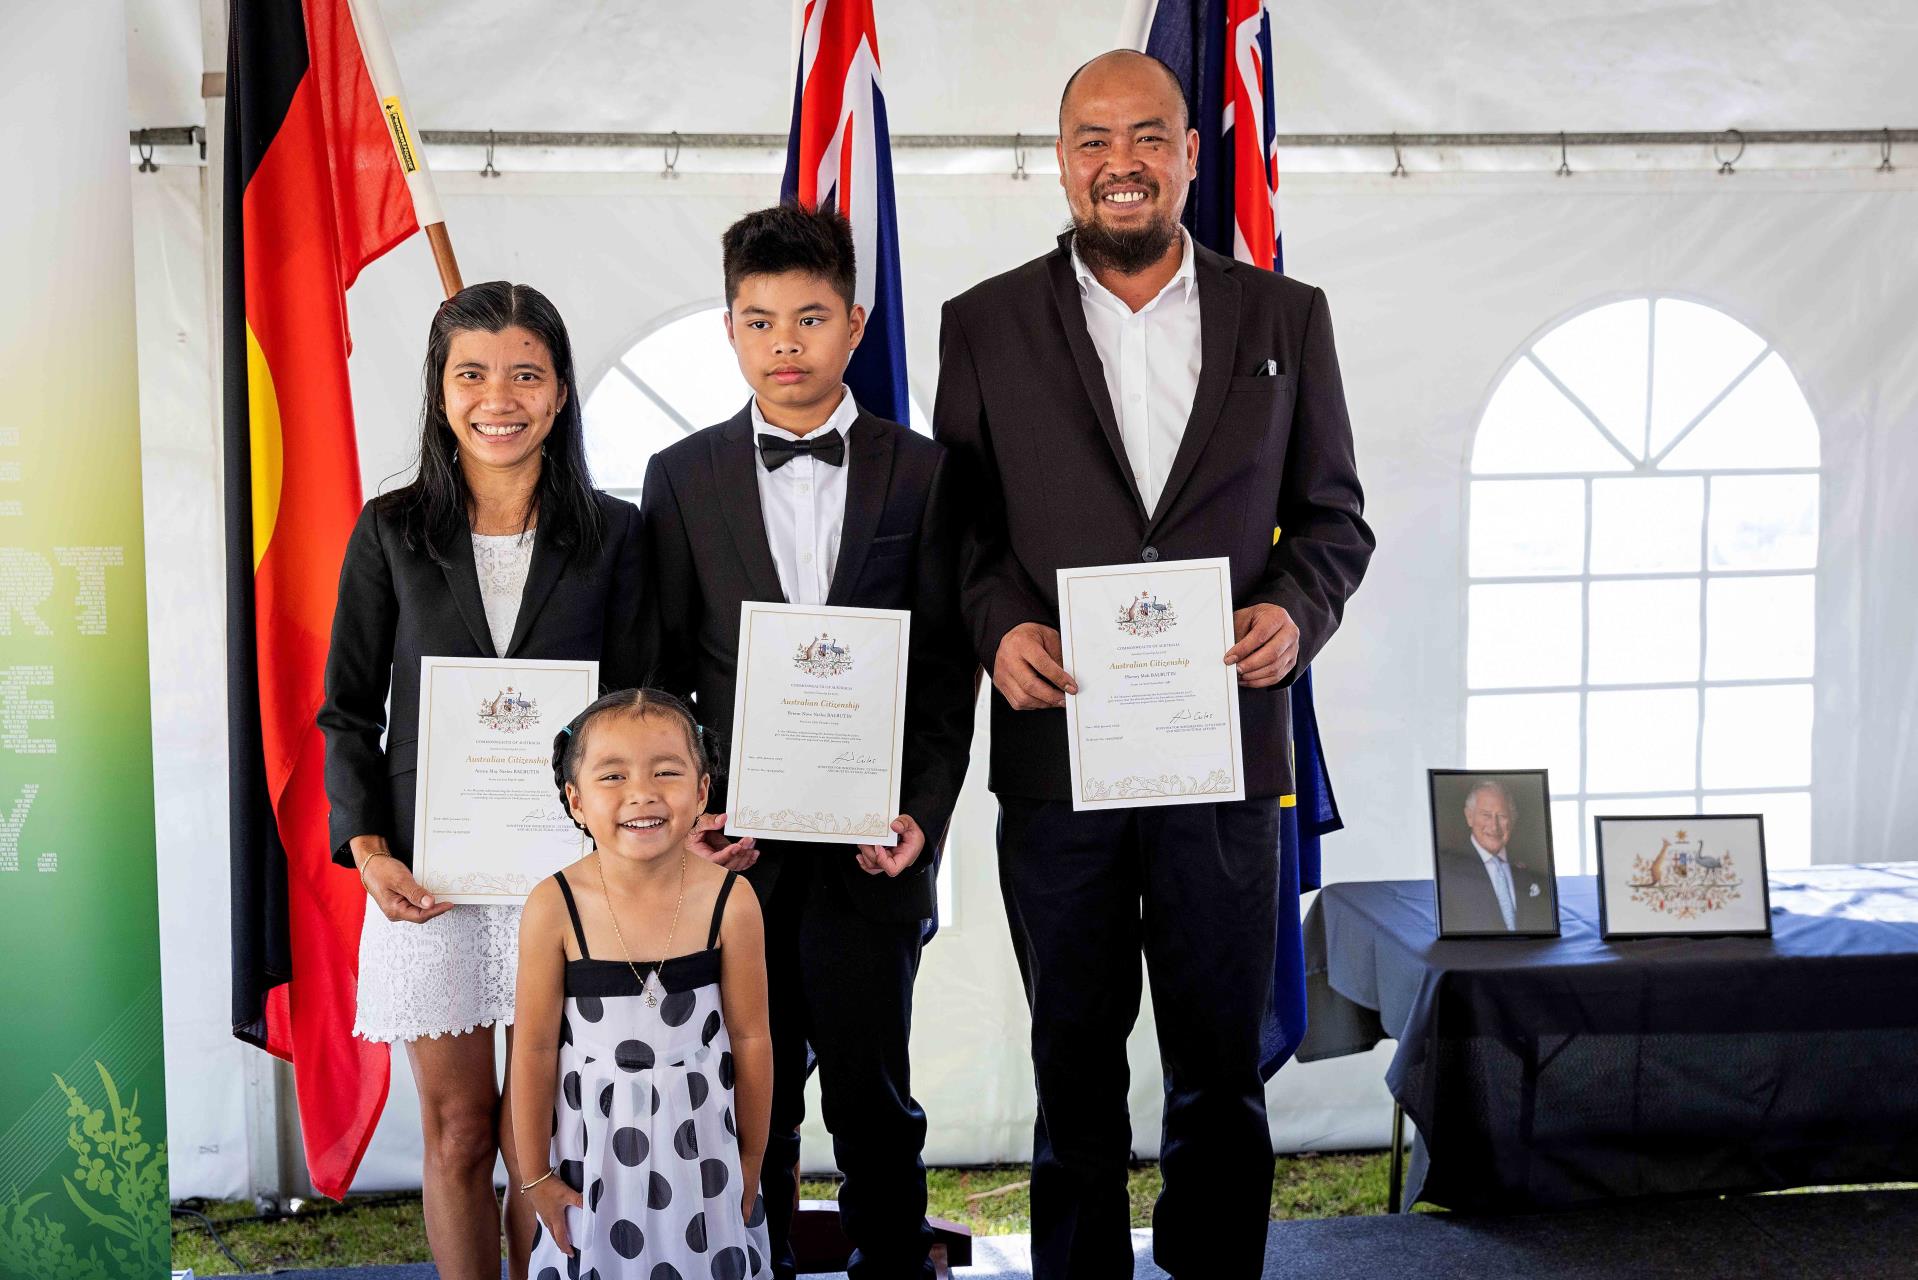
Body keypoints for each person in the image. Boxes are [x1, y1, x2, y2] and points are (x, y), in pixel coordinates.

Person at [932, 50, 1375, 1280]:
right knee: (1070, 1049)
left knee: (1218, 1056)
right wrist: (995, 624)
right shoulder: (982, 321)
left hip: (1222, 751)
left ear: (1190, 151)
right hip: (1057, 751)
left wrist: (1295, 609)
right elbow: (959, 532)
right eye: (1091, 139)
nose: (1117, 162)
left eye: (1145, 137)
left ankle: (1216, 1262)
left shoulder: (1286, 318)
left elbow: (1335, 519)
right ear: (1059, 158)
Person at [640, 203, 975, 1279]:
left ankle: (892, 1262)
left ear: (855, 323)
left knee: (875, 1098)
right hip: (734, 855)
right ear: (729, 329)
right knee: (750, 1097)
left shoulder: (923, 474)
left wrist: (922, 813)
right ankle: (756, 1266)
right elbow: (660, 676)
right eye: (759, 320)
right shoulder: (680, 477)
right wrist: (695, 813)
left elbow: (942, 676)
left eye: (810, 318)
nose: (785, 344)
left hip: (872, 852)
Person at [317, 282, 645, 1280]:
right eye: (472, 373)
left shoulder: (618, 535)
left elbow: (644, 705)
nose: (496, 396)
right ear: (440, 388)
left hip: (575, 881)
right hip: (434, 884)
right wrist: (368, 848)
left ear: (556, 393)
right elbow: (345, 709)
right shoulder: (388, 532)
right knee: (461, 1132)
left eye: (524, 374)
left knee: (544, 1139)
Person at [512, 689, 773, 1280]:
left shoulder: (730, 901)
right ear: (575, 799)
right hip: (593, 1158)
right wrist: (535, 1177)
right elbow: (530, 1050)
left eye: (666, 771)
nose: (643, 793)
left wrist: (751, 1157)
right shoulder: (553, 905)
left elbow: (753, 1038)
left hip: (704, 1156)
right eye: (613, 775)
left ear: (703, 790)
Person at [1436, 779, 1556, 933]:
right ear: (1469, 817)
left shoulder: (1532, 867)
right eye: (1486, 815)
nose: (1494, 826)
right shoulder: (1448, 872)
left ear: (1512, 820)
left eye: (1502, 816)